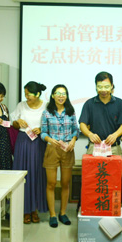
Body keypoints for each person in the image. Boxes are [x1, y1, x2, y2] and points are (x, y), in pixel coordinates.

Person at [79, 71, 122, 209]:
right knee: (92, 180)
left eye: (106, 86)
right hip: (94, 148)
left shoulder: (119, 103)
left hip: (113, 148)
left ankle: (113, 208)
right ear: (95, 86)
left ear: (112, 86)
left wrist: (115, 135)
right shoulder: (89, 104)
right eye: (100, 86)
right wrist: (89, 134)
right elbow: (82, 124)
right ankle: (93, 208)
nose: (103, 90)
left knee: (115, 181)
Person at [41, 84, 79, 228]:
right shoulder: (47, 113)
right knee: (51, 183)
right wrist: (50, 140)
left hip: (67, 149)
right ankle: (52, 215)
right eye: (58, 93)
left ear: (67, 96)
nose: (61, 96)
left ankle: (63, 213)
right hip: (52, 149)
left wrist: (73, 140)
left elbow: (76, 130)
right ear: (52, 95)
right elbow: (43, 132)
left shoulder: (71, 111)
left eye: (64, 93)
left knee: (65, 183)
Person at [11, 81, 48, 224]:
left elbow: (51, 124)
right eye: (25, 94)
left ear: (38, 94)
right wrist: (18, 122)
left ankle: (35, 209)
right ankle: (24, 210)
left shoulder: (46, 106)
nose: (26, 97)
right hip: (23, 142)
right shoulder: (21, 105)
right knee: (23, 175)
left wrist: (42, 129)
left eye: (29, 94)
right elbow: (13, 124)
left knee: (37, 174)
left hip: (39, 142)